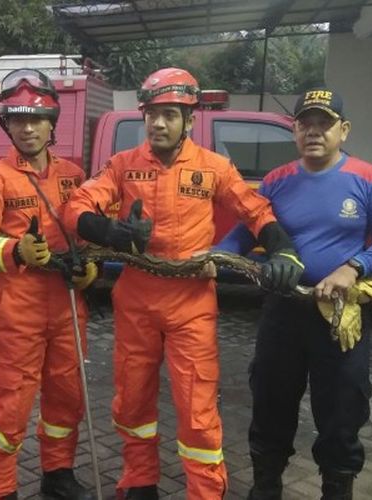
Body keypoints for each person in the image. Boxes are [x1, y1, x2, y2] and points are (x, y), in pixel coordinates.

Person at [62, 68, 305, 500]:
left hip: (191, 304)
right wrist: (112, 232)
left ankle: (205, 492)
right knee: (133, 401)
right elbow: (75, 208)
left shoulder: (213, 167)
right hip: (136, 301)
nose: (158, 123)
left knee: (197, 409)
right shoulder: (122, 165)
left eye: (169, 114)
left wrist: (282, 249)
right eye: (152, 114)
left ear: (188, 120)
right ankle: (139, 481)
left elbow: (255, 210)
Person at [216, 88, 372, 500]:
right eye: (305, 123)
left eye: (324, 123)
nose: (314, 131)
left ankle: (337, 489)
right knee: (270, 400)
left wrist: (353, 268)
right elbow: (242, 233)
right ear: (296, 129)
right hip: (283, 313)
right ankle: (266, 486)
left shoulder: (368, 179)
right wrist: (216, 257)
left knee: (341, 408)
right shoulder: (277, 181)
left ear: (343, 130)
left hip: (338, 317)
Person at [0, 68, 98, 500]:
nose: (28, 127)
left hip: (67, 306)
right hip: (20, 309)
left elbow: (85, 235)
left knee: (66, 398)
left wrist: (88, 269)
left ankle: (57, 474)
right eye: (18, 118)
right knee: (12, 406)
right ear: (6, 122)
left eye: (37, 118)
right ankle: (2, 490)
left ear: (52, 121)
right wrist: (15, 250)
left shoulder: (73, 176)